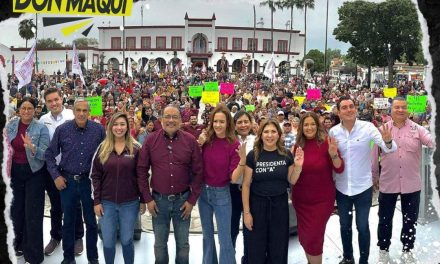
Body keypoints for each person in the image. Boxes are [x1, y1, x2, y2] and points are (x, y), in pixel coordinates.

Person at [329, 96, 397, 264]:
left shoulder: (368, 128)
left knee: (362, 226)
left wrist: (388, 141)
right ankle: (348, 257)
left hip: (363, 188)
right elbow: (332, 159)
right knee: (344, 226)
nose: (348, 110)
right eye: (344, 107)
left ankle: (364, 260)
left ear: (356, 108)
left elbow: (388, 149)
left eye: (351, 106)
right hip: (342, 188)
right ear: (338, 112)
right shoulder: (333, 132)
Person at [137, 105, 204, 264]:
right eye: (167, 116)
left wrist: (191, 200)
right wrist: (147, 198)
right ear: (161, 119)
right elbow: (141, 170)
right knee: (159, 245)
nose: (171, 120)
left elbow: (198, 172)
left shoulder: (190, 141)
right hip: (158, 201)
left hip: (183, 201)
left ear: (181, 120)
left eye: (175, 117)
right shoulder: (150, 140)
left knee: (183, 245)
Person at [372, 97, 434, 264]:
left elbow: (431, 141)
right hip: (388, 182)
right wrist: (374, 176)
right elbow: (373, 155)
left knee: (410, 220)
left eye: (403, 107)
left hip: (411, 183)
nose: (400, 110)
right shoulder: (380, 130)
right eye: (397, 107)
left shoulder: (418, 129)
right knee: (384, 219)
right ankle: (383, 250)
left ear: (408, 110)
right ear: (391, 110)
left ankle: (408, 249)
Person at [45, 98, 106, 264]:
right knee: (69, 222)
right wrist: (56, 176)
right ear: (73, 111)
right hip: (68, 182)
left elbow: (105, 155)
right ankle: (68, 259)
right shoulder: (62, 130)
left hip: (89, 183)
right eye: (78, 110)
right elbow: (49, 155)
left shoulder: (99, 130)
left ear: (89, 112)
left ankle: (93, 258)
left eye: (84, 110)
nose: (81, 113)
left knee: (91, 223)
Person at [242, 119, 303, 264]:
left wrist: (298, 166)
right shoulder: (253, 155)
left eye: (273, 131)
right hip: (257, 206)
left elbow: (292, 180)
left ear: (279, 134)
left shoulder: (286, 154)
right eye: (266, 131)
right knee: (256, 247)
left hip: (279, 206)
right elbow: (245, 185)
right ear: (261, 134)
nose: (270, 135)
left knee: (278, 246)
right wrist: (247, 213)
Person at [90, 112, 144, 264]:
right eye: (115, 124)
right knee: (108, 241)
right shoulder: (102, 148)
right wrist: (97, 201)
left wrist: (143, 200)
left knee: (127, 240)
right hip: (107, 204)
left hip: (130, 203)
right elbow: (95, 176)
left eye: (122, 124)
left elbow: (142, 176)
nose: (119, 128)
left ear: (127, 127)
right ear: (110, 127)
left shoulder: (136, 148)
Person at [292, 112, 344, 264]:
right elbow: (293, 174)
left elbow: (340, 168)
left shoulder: (327, 143)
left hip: (322, 201)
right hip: (301, 201)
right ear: (301, 127)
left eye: (312, 124)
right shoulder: (297, 146)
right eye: (306, 124)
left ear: (318, 125)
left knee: (313, 237)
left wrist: (334, 155)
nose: (309, 127)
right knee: (305, 237)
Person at [197, 105, 247, 264]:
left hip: (222, 194)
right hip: (203, 193)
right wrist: (198, 144)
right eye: (215, 121)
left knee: (225, 238)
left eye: (222, 121)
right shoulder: (206, 140)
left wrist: (242, 162)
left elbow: (233, 178)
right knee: (207, 235)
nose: (218, 125)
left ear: (228, 123)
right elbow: (195, 164)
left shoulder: (234, 144)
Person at [39, 87, 84, 256]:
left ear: (62, 99)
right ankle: (55, 237)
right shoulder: (43, 120)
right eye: (49, 101)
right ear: (46, 103)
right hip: (51, 170)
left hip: (71, 169)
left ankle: (78, 236)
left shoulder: (72, 116)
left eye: (56, 99)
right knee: (55, 206)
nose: (54, 103)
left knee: (74, 204)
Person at [6, 96, 50, 264]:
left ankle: (33, 253)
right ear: (19, 110)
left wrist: (32, 147)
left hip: (34, 174)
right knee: (16, 211)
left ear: (35, 110)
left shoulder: (41, 128)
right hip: (15, 173)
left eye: (29, 108)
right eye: (23, 108)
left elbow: (46, 154)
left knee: (33, 213)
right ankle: (17, 245)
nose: (26, 111)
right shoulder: (11, 125)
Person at [231, 111, 256, 263]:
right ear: (234, 124)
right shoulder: (230, 141)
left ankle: (248, 259)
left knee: (250, 227)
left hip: (252, 190)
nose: (243, 125)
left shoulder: (258, 140)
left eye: (246, 121)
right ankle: (229, 257)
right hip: (233, 189)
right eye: (239, 122)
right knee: (231, 227)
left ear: (251, 123)